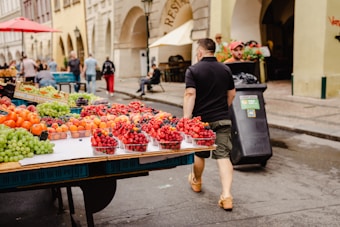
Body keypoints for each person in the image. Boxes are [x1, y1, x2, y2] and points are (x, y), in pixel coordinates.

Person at [183, 38, 236, 211]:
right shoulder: (226, 69)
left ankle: (197, 181)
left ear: (200, 51)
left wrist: (186, 118)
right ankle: (226, 195)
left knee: (200, 154)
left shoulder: (193, 70)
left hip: (201, 122)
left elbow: (190, 94)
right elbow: (232, 94)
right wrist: (223, 109)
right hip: (222, 118)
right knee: (223, 156)